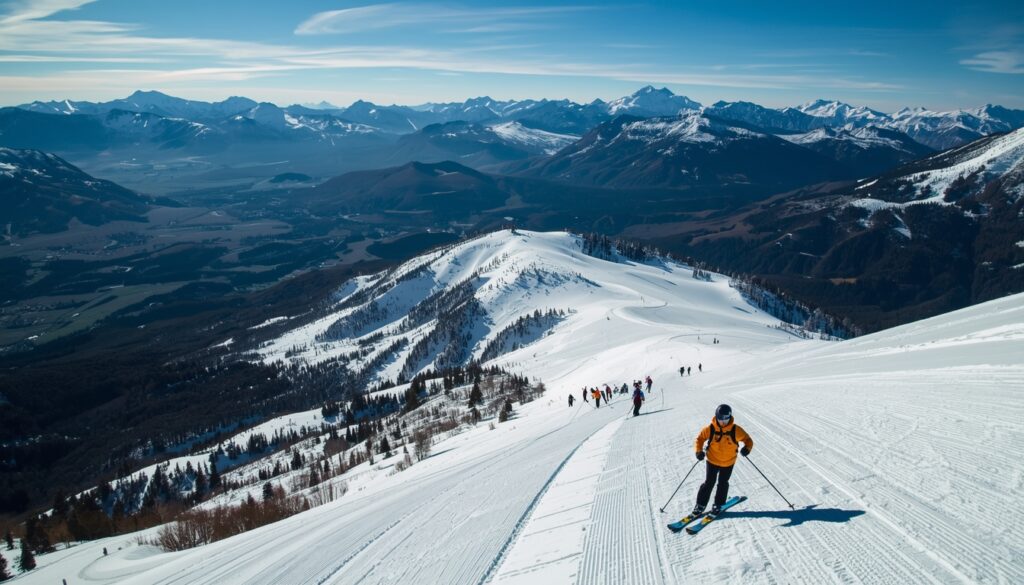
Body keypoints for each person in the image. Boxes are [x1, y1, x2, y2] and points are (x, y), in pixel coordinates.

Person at [690, 404, 753, 516]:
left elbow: (748, 440)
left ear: (730, 417)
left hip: (728, 462)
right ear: (716, 417)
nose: (723, 422)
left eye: (726, 419)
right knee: (709, 483)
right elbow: (700, 438)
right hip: (712, 460)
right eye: (720, 419)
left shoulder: (735, 430)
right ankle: (700, 505)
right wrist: (698, 451)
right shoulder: (711, 428)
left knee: (723, 483)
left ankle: (718, 504)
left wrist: (747, 449)